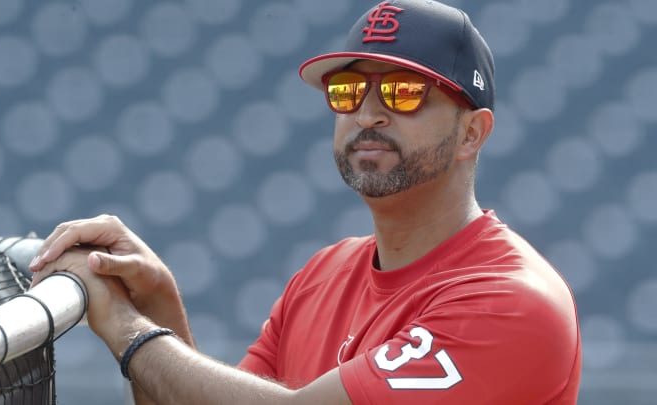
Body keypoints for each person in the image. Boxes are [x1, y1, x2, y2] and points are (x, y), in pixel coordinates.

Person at [30, 0, 582, 403]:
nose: (367, 114)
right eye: (348, 91)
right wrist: (156, 310)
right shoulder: (323, 273)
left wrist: (126, 327)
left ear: (471, 134)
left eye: (403, 91)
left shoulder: (512, 303)